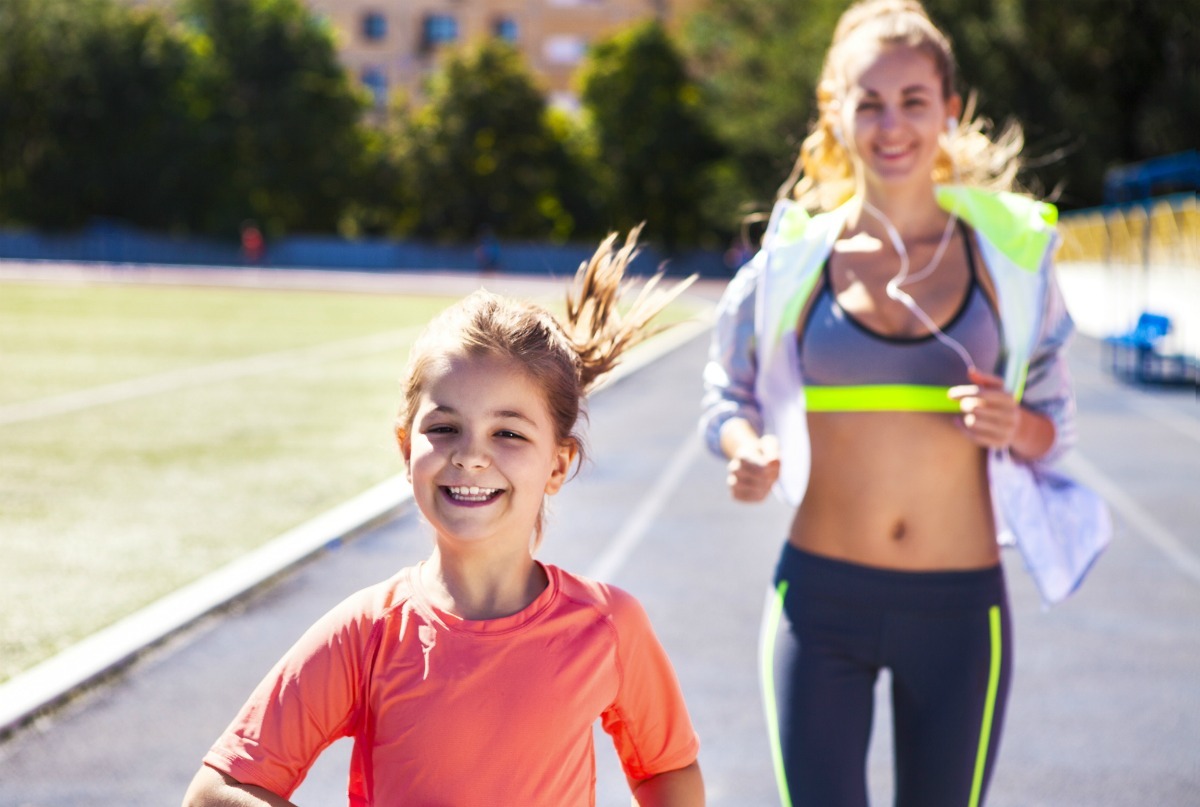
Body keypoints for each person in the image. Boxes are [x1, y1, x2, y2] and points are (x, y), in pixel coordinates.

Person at [700, 2, 1108, 805]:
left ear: (948, 110)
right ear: (836, 112)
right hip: (818, 605)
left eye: (914, 100)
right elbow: (727, 394)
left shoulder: (1010, 264)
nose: (893, 125)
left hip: (959, 612)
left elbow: (1052, 430)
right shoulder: (793, 264)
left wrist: (1011, 422)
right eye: (870, 101)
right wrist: (744, 448)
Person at [184, 230, 705, 807]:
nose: (470, 455)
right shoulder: (368, 633)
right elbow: (217, 791)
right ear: (407, 448)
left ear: (558, 465)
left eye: (507, 432)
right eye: (444, 428)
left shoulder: (608, 627)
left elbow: (667, 771)